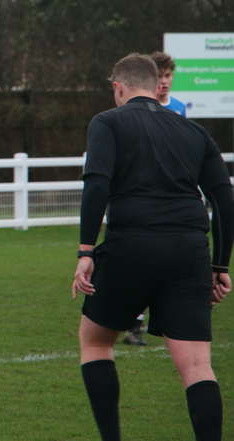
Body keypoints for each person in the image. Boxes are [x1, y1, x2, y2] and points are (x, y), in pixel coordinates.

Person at [72, 53, 231, 441]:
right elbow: (224, 199)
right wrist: (219, 266)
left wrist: (86, 251)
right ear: (156, 85)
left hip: (132, 244)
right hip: (189, 250)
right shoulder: (193, 132)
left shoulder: (107, 122)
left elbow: (97, 184)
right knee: (196, 366)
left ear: (118, 87)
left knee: (94, 341)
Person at [122, 51, 189, 346]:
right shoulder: (133, 111)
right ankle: (133, 322)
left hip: (171, 201)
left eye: (168, 77)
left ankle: (161, 319)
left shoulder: (178, 108)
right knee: (138, 262)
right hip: (141, 199)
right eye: (159, 77)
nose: (164, 83)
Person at [151, 51, 187, 117]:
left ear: (172, 76)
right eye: (159, 76)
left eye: (167, 75)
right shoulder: (144, 107)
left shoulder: (180, 107)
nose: (164, 81)